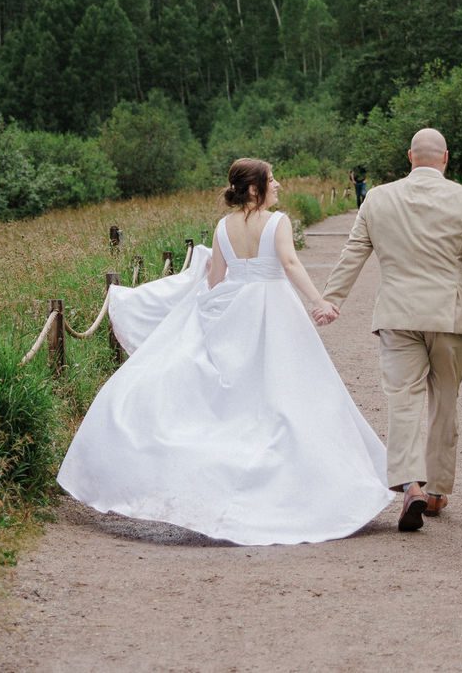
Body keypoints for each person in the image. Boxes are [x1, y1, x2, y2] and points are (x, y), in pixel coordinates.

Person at [57, 158, 392, 545]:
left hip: (234, 311)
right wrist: (319, 301)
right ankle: (294, 482)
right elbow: (288, 262)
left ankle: (228, 473)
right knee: (290, 393)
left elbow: (215, 279)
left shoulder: (222, 226)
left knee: (238, 399)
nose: (277, 184)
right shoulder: (277, 223)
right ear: (254, 189)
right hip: (274, 309)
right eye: (271, 180)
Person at [319, 127, 462, 533]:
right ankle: (437, 490)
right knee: (444, 401)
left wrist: (332, 299)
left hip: (397, 315)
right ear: (445, 158)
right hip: (449, 316)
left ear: (410, 157)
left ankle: (410, 484)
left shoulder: (378, 198)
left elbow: (354, 251)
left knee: (403, 400)